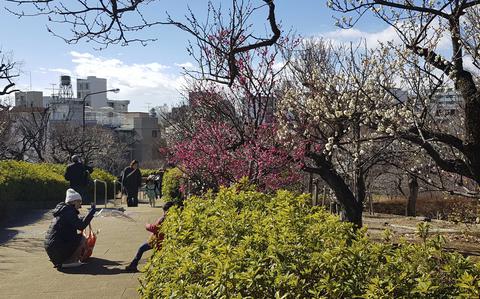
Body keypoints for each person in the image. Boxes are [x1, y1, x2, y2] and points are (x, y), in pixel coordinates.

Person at [44, 188, 97, 269]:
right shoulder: (69, 212)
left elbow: (76, 222)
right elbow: (81, 226)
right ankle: (71, 261)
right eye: (79, 202)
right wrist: (91, 213)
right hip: (57, 250)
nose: (80, 205)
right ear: (73, 201)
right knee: (82, 238)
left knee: (77, 238)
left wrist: (87, 216)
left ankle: (62, 260)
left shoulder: (64, 211)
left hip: (53, 250)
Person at [124, 201, 175, 272]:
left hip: (157, 241)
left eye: (164, 211)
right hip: (158, 240)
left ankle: (134, 266)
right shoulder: (168, 218)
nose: (163, 213)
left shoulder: (164, 218)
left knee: (142, 248)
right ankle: (135, 265)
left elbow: (155, 228)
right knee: (148, 252)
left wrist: (147, 226)